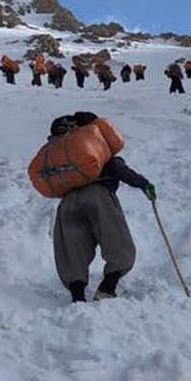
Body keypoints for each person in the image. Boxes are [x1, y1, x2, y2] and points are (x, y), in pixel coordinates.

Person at [46, 113, 155, 303]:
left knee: (73, 247)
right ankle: (107, 287)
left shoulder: (62, 158)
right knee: (116, 241)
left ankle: (77, 296)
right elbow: (122, 171)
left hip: (68, 202)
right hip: (98, 196)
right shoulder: (99, 152)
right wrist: (144, 184)